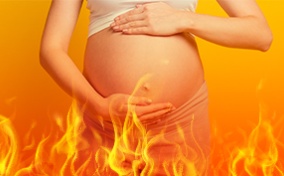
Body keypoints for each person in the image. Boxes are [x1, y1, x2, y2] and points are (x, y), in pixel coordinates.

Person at [40, 0, 272, 175]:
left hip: (180, 122)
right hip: (104, 123)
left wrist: (182, 19)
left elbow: (260, 34)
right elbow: (51, 49)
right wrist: (99, 106)